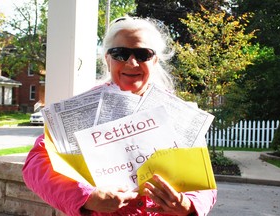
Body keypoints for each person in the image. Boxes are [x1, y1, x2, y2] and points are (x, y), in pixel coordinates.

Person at [22, 16, 217, 216]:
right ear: (107, 59)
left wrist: (188, 206)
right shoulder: (81, 110)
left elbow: (202, 179)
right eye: (120, 54)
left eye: (143, 54)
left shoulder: (176, 112)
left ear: (155, 60)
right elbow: (37, 164)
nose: (132, 63)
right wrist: (87, 197)